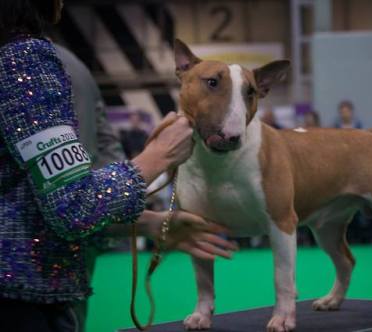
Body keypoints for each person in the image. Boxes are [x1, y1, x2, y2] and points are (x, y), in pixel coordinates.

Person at [0, 1, 236, 331]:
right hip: (22, 300)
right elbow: (74, 206)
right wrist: (157, 157)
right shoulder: (26, 59)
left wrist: (148, 222)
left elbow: (33, 195)